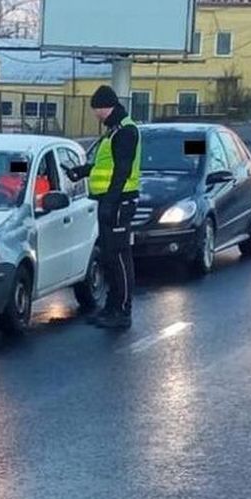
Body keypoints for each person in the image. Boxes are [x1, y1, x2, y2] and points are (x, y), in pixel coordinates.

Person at [64, 85, 142, 330]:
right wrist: (82, 172)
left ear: (105, 107)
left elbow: (122, 170)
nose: (95, 115)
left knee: (119, 257)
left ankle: (123, 310)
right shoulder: (113, 131)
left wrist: (111, 201)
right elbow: (104, 166)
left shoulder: (126, 131)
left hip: (119, 202)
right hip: (109, 201)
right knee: (109, 256)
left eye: (96, 109)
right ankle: (111, 306)